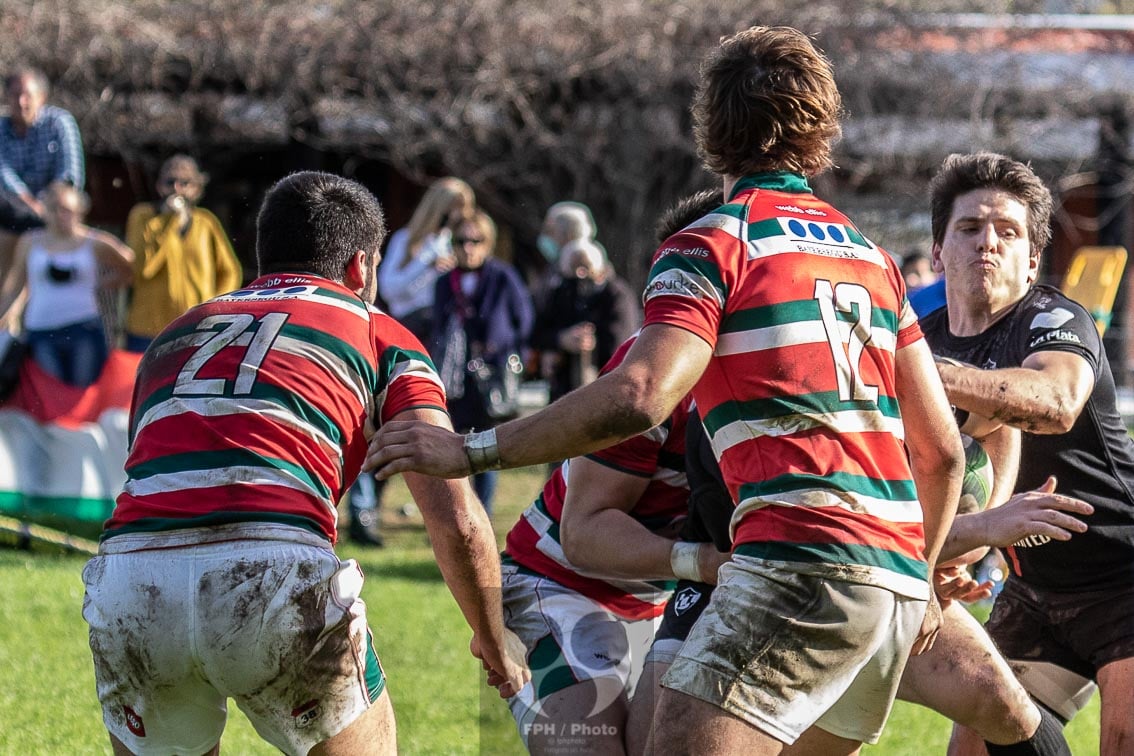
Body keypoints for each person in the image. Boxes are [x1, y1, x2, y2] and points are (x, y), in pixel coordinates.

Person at [370, 26, 965, 754]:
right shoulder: (874, 260)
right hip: (893, 588)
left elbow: (642, 392)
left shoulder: (714, 243)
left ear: (711, 130)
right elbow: (941, 455)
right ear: (823, 128)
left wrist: (471, 450)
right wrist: (921, 573)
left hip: (799, 561)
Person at [81, 171, 527, 755]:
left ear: (263, 257)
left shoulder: (174, 335)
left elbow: (159, 471)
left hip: (132, 578)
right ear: (361, 267)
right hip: (274, 568)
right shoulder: (378, 332)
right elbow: (456, 517)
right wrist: (495, 641)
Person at [920, 152, 1134, 756]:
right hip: (1030, 585)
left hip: (1123, 575)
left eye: (1008, 232)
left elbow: (1057, 402)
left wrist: (925, 376)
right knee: (976, 747)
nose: (988, 243)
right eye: (969, 228)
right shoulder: (920, 336)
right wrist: (951, 548)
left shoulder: (1055, 318)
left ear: (1033, 258)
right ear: (938, 250)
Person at [501, 332, 728, 754]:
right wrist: (700, 562)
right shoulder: (661, 369)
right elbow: (583, 534)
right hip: (560, 584)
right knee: (590, 746)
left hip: (674, 598)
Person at [430, 209, 534, 516]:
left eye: (476, 240)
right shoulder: (444, 283)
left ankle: (483, 512)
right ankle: (457, 512)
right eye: (461, 240)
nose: (468, 247)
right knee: (454, 444)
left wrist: (511, 356)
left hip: (491, 374)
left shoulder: (503, 277)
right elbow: (436, 326)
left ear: (487, 243)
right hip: (455, 377)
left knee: (487, 446)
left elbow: (523, 322)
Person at [0, 182, 132, 386]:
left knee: (82, 391)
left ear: (79, 211)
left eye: (67, 210)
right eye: (54, 209)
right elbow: (15, 285)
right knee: (50, 392)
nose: (61, 216)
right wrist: (5, 313)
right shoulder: (29, 241)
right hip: (41, 329)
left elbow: (129, 265)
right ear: (44, 211)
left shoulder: (93, 241)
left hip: (83, 328)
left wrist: (106, 282)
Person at [122, 154, 242, 352]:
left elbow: (230, 271)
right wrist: (170, 221)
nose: (176, 188)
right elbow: (143, 270)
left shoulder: (206, 222)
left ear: (196, 188)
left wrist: (215, 307)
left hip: (196, 329)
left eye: (184, 183)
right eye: (170, 182)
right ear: (160, 186)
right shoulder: (142, 216)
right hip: (148, 331)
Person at [535, 238, 640, 403]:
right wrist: (561, 340)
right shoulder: (561, 292)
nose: (580, 276)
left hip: (605, 389)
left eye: (585, 268)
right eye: (573, 269)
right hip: (563, 390)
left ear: (599, 270)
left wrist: (591, 341)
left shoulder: (616, 295)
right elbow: (538, 332)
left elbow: (621, 342)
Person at [0, 67, 84, 270]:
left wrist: (47, 205)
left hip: (55, 210)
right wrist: (31, 205)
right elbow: (4, 173)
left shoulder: (59, 123)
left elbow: (70, 174)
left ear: (42, 97)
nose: (21, 102)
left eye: (27, 95)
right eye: (15, 95)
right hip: (14, 212)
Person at [376, 176, 471, 343]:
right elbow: (388, 289)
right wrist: (426, 267)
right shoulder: (406, 239)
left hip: (446, 328)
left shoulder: (458, 243)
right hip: (411, 325)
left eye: (460, 210)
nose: (456, 216)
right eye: (451, 209)